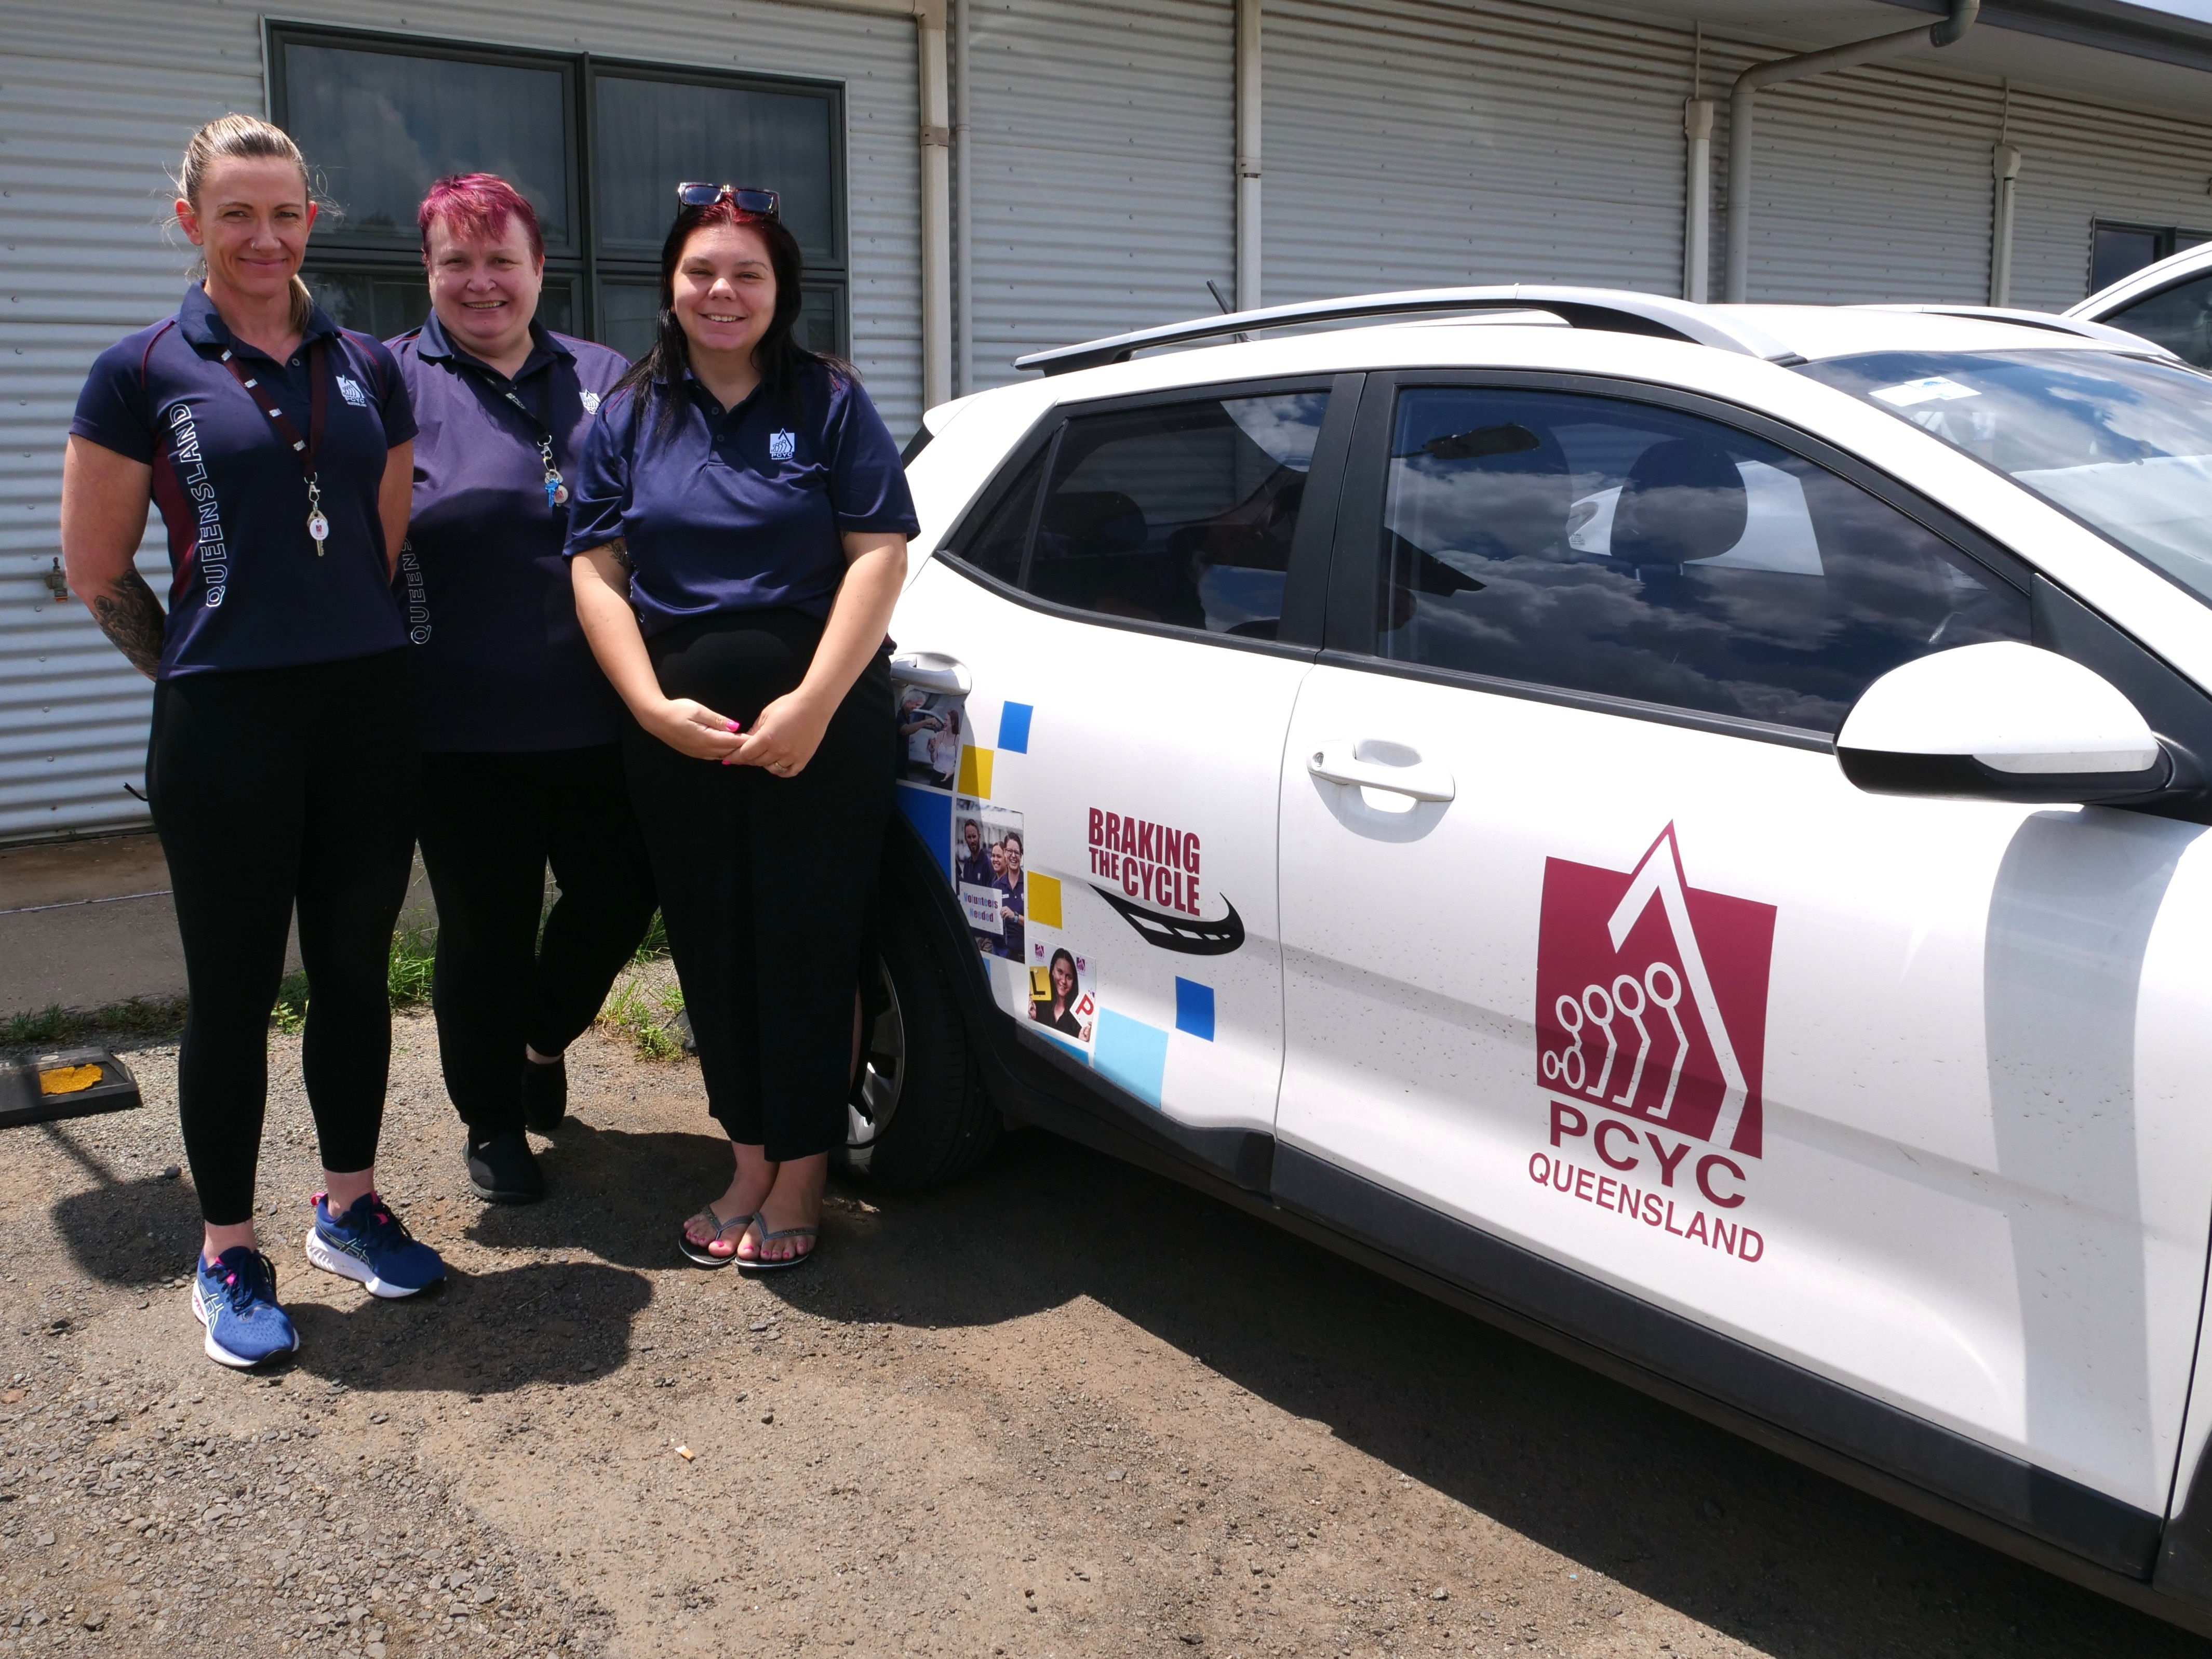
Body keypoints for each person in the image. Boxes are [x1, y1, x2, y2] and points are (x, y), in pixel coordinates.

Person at [60, 114, 444, 1369]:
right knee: (231, 994)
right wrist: (203, 671)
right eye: (237, 214)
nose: (264, 237)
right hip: (224, 727)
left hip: (366, 715)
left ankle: (348, 1205)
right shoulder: (140, 370)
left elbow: (380, 537)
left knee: (355, 973)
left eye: (284, 214)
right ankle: (227, 1247)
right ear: (193, 221)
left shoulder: (366, 364)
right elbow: (97, 566)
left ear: (309, 220)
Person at [566, 182, 916, 1271]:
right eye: (701, 271)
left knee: (810, 940)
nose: (722, 292)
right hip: (678, 735)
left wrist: (812, 703)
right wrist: (646, 705)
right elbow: (596, 568)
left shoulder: (828, 399)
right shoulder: (627, 413)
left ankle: (804, 1170)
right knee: (712, 944)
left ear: (780, 290)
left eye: (746, 274)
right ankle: (749, 1157)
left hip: (822, 726)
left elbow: (879, 553)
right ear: (670, 285)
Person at [387, 174, 658, 1205]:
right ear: (427, 272)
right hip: (458, 730)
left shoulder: (606, 377)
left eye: (501, 259)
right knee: (484, 934)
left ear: (539, 268)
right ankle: (492, 1117)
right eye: (455, 261)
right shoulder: (389, 381)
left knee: (621, 893)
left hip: (604, 715)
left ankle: (542, 1039)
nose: (481, 282)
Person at [1030, 947, 1092, 1042]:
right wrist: (1032, 1020)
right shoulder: (1038, 1006)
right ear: (1053, 971)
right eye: (1060, 972)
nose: (1064, 981)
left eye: (1069, 977)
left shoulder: (1079, 1018)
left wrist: (1080, 1041)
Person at [993, 832, 1027, 962]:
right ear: (1005, 853)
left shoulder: (1028, 884)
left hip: (1026, 957)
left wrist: (1015, 917)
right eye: (1010, 851)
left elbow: (1036, 925)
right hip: (1005, 956)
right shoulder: (997, 886)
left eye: (1017, 852)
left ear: (1021, 856)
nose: (1013, 856)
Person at [955, 818, 993, 888]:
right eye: (969, 837)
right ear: (965, 839)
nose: (972, 840)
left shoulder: (988, 864)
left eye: (974, 836)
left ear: (979, 837)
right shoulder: (967, 865)